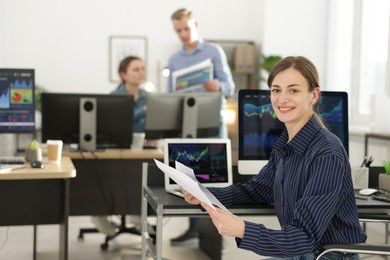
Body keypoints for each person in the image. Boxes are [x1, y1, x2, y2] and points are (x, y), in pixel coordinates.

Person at [182, 56, 367, 259]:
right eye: (276, 90)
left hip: (327, 255)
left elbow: (303, 236)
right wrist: (204, 194)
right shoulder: (285, 144)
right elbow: (257, 190)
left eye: (293, 90)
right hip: (302, 253)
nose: (282, 99)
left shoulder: (327, 153)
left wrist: (242, 229)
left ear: (313, 95)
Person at [167, 8, 235, 246]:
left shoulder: (213, 51)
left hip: (212, 123)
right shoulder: (174, 60)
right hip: (186, 124)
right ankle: (194, 228)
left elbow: (229, 86)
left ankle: (217, 231)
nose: (183, 34)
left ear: (195, 24)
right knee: (188, 178)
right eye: (178, 31)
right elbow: (169, 96)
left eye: (186, 28)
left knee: (214, 175)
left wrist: (217, 86)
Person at [91, 56, 148, 236]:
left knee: (143, 179)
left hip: (142, 148)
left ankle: (139, 218)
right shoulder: (114, 98)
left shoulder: (147, 96)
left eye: (142, 68)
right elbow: (119, 123)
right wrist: (143, 112)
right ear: (123, 74)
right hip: (116, 150)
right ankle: (99, 214)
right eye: (136, 69)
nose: (141, 72)